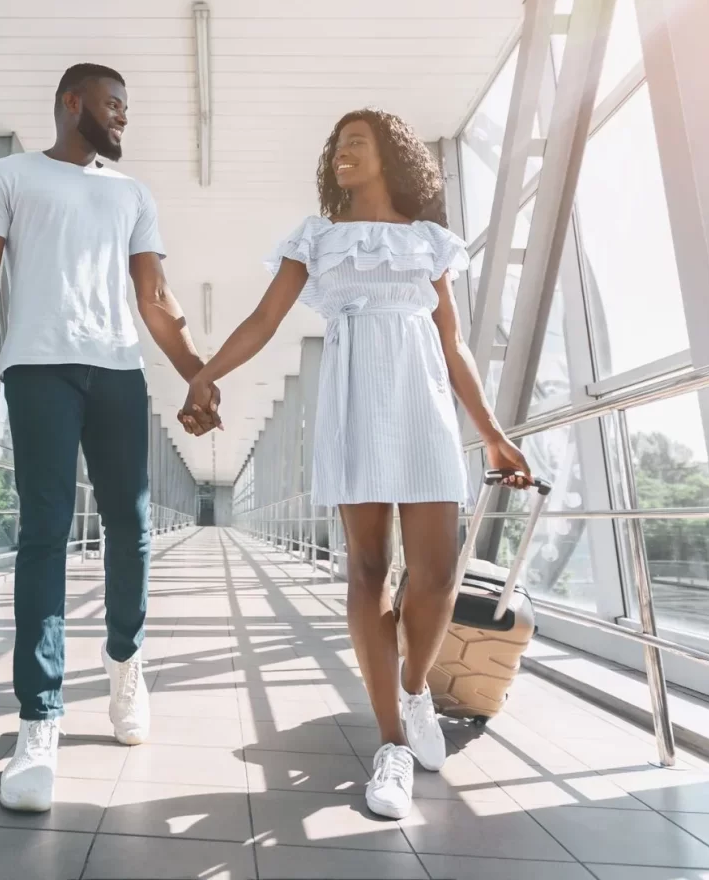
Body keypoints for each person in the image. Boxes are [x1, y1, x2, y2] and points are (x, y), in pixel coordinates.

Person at [179, 109, 531, 820]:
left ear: (390, 157)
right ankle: (392, 744)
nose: (343, 154)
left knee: (436, 573)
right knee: (369, 570)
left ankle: (413, 687)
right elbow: (263, 320)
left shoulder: (431, 243)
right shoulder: (317, 239)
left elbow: (454, 344)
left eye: (357, 144)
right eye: (337, 146)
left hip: (423, 405)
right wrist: (204, 375)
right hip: (351, 403)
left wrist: (493, 433)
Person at [0, 63, 220, 813]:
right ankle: (40, 718)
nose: (124, 117)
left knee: (129, 528)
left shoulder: (130, 194)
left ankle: (125, 664)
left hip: (118, 373)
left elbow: (155, 298)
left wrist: (196, 373)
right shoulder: (8, 176)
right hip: (37, 369)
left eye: (127, 106)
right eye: (113, 104)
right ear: (72, 103)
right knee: (46, 531)